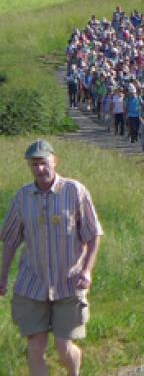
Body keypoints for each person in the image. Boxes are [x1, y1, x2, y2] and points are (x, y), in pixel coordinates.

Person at [1, 139, 103, 376]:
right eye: (34, 164)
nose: (39, 169)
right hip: (32, 283)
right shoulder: (23, 197)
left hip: (69, 282)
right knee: (35, 344)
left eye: (43, 163)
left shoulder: (74, 191)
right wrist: (3, 276)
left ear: (54, 162)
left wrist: (87, 271)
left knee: (63, 345)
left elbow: (93, 235)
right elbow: (10, 240)